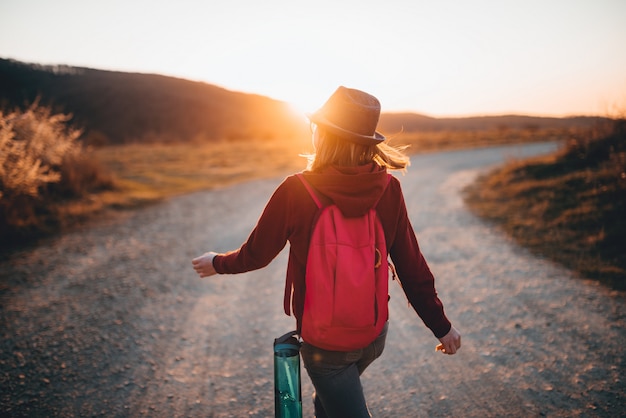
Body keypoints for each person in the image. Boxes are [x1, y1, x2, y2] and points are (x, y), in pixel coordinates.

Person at [192, 86, 462, 417]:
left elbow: (256, 255)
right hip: (374, 335)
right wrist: (441, 326)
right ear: (367, 142)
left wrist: (216, 263)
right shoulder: (389, 188)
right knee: (332, 403)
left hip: (325, 346)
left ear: (322, 134)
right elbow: (411, 266)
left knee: (340, 400)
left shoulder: (296, 190)